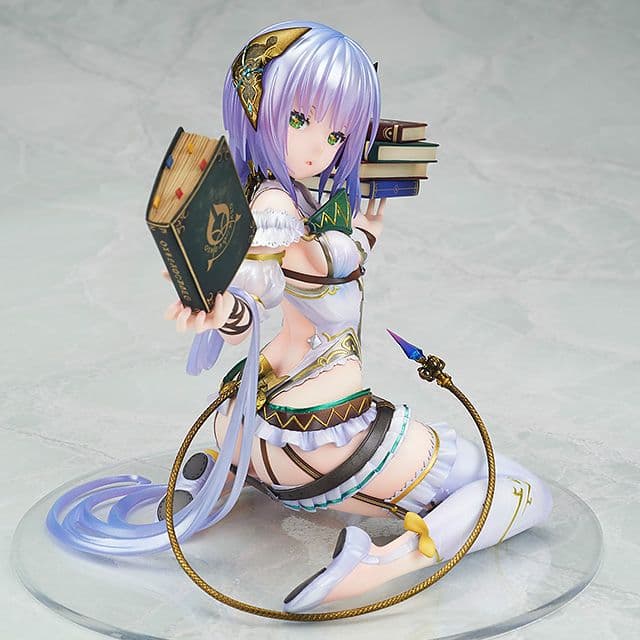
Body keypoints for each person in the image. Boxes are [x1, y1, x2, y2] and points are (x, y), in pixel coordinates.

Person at [47, 20, 553, 613]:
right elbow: (258, 288)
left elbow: (292, 278)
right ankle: (388, 562)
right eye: (298, 120)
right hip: (326, 437)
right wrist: (223, 308)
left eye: (336, 133)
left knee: (466, 485)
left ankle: (227, 487)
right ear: (257, 110)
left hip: (244, 431)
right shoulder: (275, 209)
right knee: (520, 489)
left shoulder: (295, 196)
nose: (318, 148)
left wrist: (361, 234)